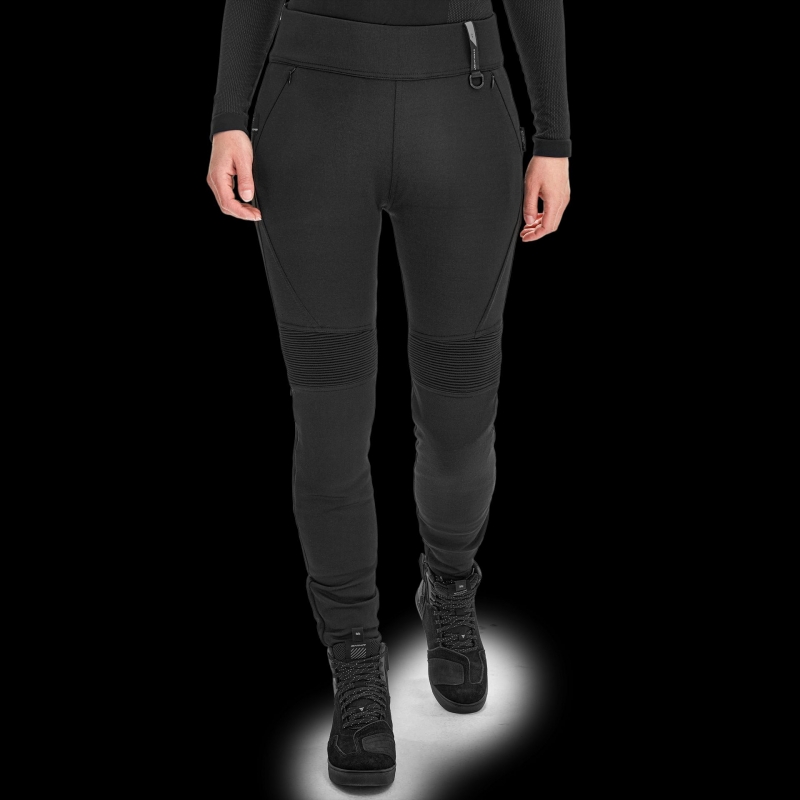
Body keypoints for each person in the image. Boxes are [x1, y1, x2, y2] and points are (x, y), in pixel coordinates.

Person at [207, 0, 570, 788]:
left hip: (464, 106)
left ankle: (450, 584)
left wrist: (555, 137)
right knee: (330, 418)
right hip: (311, 109)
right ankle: (355, 658)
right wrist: (228, 113)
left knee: (461, 414)